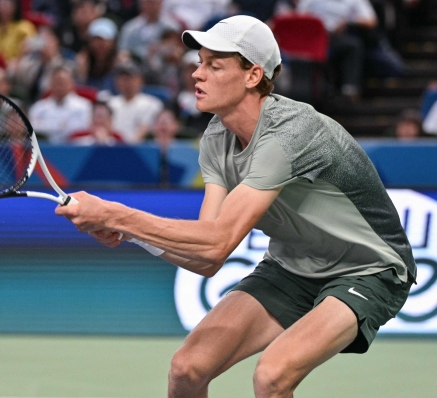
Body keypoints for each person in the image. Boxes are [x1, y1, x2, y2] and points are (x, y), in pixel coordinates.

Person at [55, 15, 415, 397]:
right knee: (186, 370)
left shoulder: (290, 132)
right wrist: (128, 233)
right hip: (292, 268)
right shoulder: (216, 135)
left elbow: (217, 241)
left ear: (252, 75)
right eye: (199, 62)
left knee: (273, 375)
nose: (197, 74)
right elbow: (206, 260)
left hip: (368, 269)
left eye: (214, 65)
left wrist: (115, 214)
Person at [28, 66, 92, 143]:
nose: (60, 87)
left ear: (71, 83)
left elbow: (84, 130)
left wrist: (50, 126)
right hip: (45, 149)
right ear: (51, 84)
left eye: (63, 82)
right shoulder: (38, 108)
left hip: (75, 149)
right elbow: (34, 130)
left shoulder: (84, 106)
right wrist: (63, 126)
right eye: (57, 83)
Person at [13, 26, 77, 103]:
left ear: (56, 41)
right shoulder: (31, 62)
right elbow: (14, 78)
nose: (43, 44)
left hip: (51, 104)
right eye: (40, 40)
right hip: (27, 102)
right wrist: (22, 55)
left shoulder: (65, 64)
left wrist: (50, 58)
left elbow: (50, 87)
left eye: (47, 40)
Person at [107, 61, 164, 144]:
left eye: (129, 77)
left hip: (139, 150)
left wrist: (130, 148)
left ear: (140, 80)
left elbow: (145, 129)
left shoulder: (152, 104)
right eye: (121, 77)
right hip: (111, 148)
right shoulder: (109, 103)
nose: (124, 81)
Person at [76, 17, 120, 94]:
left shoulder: (119, 62)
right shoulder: (84, 61)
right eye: (95, 40)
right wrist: (82, 72)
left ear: (113, 42)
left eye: (104, 40)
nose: (100, 45)